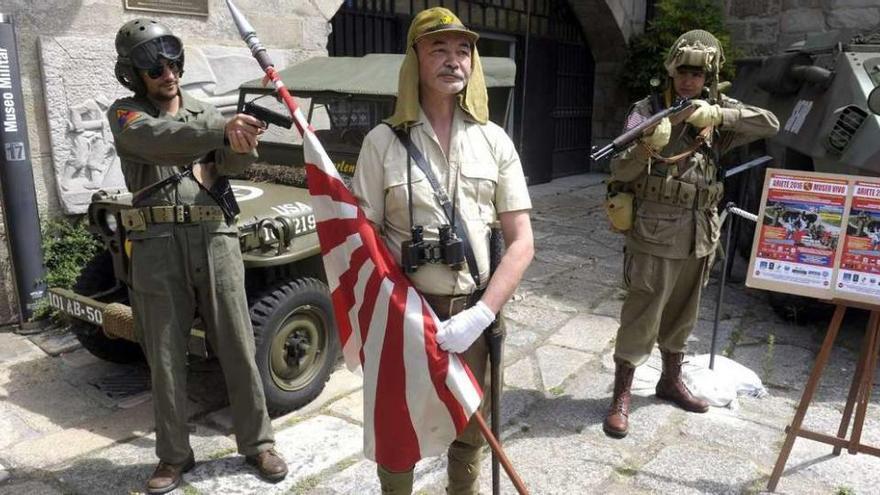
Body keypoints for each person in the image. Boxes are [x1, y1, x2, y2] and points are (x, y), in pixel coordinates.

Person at [351, 7, 534, 494]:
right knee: (398, 433)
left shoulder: (495, 141)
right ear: (415, 60)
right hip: (404, 319)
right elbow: (362, 239)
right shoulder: (380, 144)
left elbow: (521, 242)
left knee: (471, 429)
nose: (454, 60)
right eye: (439, 48)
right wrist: (396, 310)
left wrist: (482, 314)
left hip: (473, 314)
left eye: (464, 49)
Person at [107, 19, 288, 493]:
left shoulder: (210, 112)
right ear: (134, 75)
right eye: (154, 68)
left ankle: (258, 443)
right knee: (165, 356)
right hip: (156, 246)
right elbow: (155, 138)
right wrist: (218, 129)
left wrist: (243, 141)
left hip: (215, 239)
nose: (167, 73)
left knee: (238, 345)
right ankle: (172, 456)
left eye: (172, 62)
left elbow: (232, 163)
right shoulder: (126, 114)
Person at [604, 29, 779, 438]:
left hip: (701, 230)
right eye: (683, 72)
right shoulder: (646, 110)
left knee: (685, 313)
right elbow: (618, 170)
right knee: (642, 312)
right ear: (671, 72)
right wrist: (647, 144)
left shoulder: (717, 109)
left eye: (698, 75)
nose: (689, 81)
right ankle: (621, 396)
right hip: (655, 228)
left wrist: (719, 116)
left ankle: (670, 380)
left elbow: (770, 123)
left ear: (709, 78)